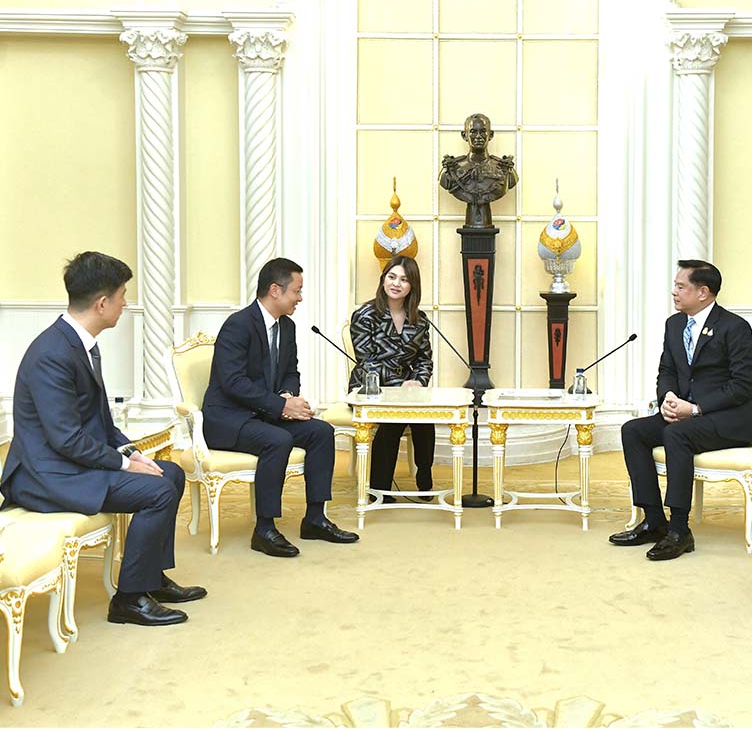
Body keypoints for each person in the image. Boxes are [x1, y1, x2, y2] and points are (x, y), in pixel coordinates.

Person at [0, 252, 205, 626]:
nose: (125, 304)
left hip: (70, 464)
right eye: (122, 295)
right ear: (102, 303)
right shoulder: (52, 354)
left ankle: (151, 578)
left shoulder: (79, 343)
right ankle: (129, 600)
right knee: (159, 492)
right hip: (47, 476)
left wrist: (132, 453)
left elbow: (100, 422)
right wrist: (125, 465)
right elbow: (67, 439)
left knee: (171, 473)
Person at [202, 257, 358, 557]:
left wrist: (287, 396)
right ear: (275, 290)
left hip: (264, 413)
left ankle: (315, 519)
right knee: (278, 439)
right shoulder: (238, 325)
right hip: (228, 418)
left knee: (321, 432)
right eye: (296, 291)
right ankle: (264, 529)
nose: (300, 298)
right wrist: (281, 405)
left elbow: (290, 372)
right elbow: (233, 382)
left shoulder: (287, 326)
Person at [610, 260, 752, 561]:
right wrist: (667, 397)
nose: (674, 292)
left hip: (728, 418)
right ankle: (654, 520)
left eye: (681, 287)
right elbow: (667, 369)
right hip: (685, 414)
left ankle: (679, 530)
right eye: (675, 286)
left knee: (676, 434)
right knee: (633, 431)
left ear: (703, 292)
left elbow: (743, 385)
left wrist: (695, 408)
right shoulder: (675, 324)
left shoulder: (734, 327)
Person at [349, 255, 436, 501]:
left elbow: (424, 360)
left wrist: (418, 382)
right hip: (370, 388)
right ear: (383, 279)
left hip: (408, 389)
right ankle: (380, 489)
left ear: (412, 286)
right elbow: (366, 361)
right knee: (394, 418)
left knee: (425, 413)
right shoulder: (365, 315)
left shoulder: (419, 320)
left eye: (404, 279)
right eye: (392, 277)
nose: (396, 283)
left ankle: (424, 474)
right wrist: (400, 386)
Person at [439, 113, 519, 228]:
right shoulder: (450, 171)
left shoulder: (505, 170)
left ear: (490, 135)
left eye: (483, 131)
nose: (478, 137)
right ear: (464, 135)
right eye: (473, 132)